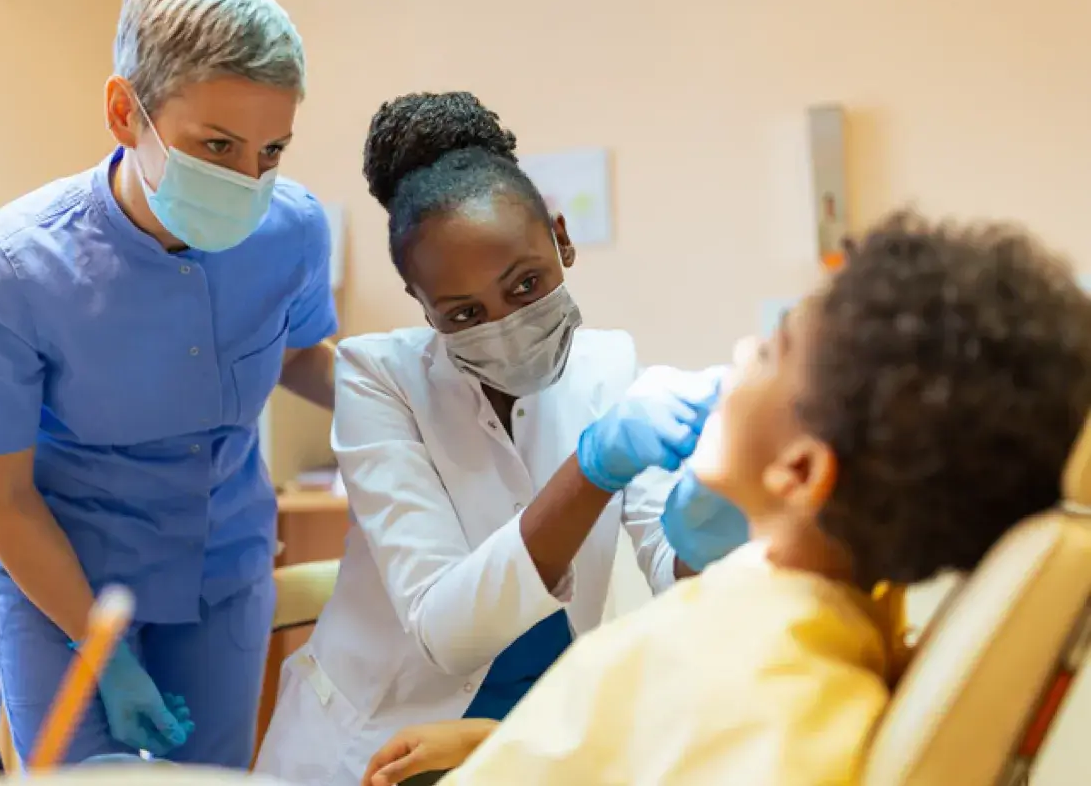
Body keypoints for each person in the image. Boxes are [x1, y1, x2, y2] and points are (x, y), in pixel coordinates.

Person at [360, 212, 1091, 785]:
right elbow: (647, 743)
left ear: (801, 473)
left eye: (771, 350)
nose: (740, 354)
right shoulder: (821, 613)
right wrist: (502, 746)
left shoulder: (767, 684)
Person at [255, 91, 745, 785]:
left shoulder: (611, 369)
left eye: (525, 284)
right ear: (422, 307)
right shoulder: (378, 380)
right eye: (462, 313)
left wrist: (704, 534)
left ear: (561, 239)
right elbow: (446, 633)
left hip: (535, 738)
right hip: (378, 744)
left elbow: (675, 581)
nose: (503, 322)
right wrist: (593, 466)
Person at [0, 0, 335, 769]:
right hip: (65, 578)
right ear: (126, 113)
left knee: (211, 777)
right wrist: (101, 654)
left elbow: (295, 354)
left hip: (224, 570)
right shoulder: (12, 270)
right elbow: (3, 495)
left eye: (271, 151)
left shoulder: (291, 231)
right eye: (216, 146)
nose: (248, 180)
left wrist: (415, 399)